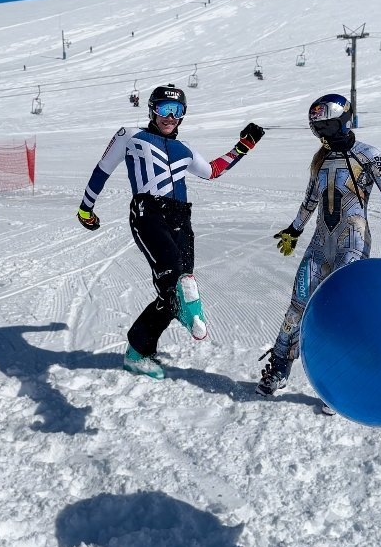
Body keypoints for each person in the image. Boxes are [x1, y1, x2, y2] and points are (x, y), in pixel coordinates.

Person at [77, 83, 265, 379]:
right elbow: (102, 170)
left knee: (174, 290)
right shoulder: (130, 135)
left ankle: (140, 351)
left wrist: (243, 147)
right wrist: (86, 208)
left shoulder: (185, 148)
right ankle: (192, 313)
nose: (169, 116)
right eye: (164, 109)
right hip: (148, 213)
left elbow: (213, 170)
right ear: (151, 109)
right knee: (174, 276)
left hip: (181, 218)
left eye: (176, 111)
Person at [256, 92, 381, 412]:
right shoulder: (321, 160)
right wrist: (294, 229)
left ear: (342, 121)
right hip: (319, 245)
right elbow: (310, 199)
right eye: (316, 128)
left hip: (352, 242)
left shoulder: (369, 155)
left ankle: (344, 383)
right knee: (297, 305)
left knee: (344, 313)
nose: (320, 134)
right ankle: (280, 367)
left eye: (325, 126)